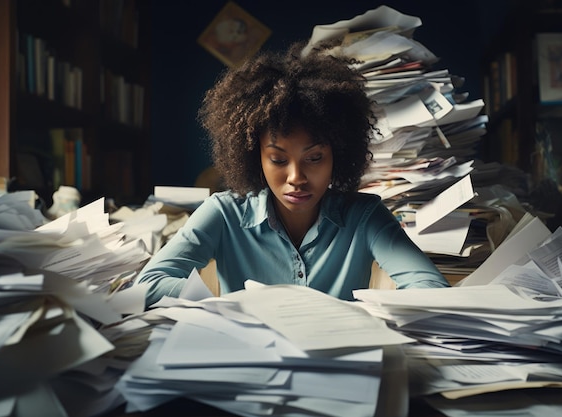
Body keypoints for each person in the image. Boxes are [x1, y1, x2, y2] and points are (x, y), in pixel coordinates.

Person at [137, 41, 449, 308]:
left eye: (314, 158)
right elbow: (147, 285)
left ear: (337, 154)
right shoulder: (224, 214)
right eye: (277, 159)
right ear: (254, 157)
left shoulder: (364, 217)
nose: (296, 177)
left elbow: (432, 290)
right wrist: (226, 303)